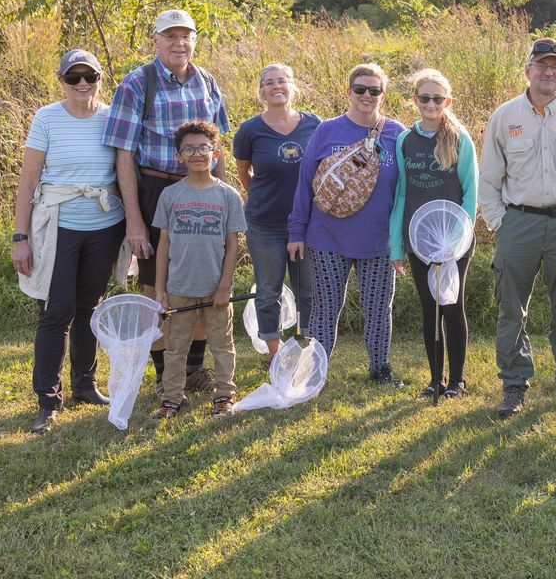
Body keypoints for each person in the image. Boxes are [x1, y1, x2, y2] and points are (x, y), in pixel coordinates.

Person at [478, 37, 556, 419]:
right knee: (511, 309)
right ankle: (514, 387)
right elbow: (489, 178)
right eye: (542, 65)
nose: (548, 72)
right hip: (518, 223)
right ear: (528, 70)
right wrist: (502, 225)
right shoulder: (504, 116)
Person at [103, 9, 230, 394]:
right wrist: (134, 221)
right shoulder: (136, 84)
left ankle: (191, 371)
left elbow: (218, 147)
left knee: (205, 282)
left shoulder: (207, 80)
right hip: (157, 191)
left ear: (195, 39)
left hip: (204, 189)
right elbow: (124, 155)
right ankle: (164, 377)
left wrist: (224, 198)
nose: (179, 43)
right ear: (156, 40)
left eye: (185, 36)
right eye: (170, 36)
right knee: (155, 291)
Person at [13, 50, 126, 433]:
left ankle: (85, 385)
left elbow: (124, 171)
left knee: (89, 305)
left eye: (89, 76)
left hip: (105, 225)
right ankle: (48, 398)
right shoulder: (46, 117)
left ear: (99, 79)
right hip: (58, 225)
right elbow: (28, 181)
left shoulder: (113, 117)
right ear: (61, 79)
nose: (82, 84)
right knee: (57, 309)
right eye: (73, 76)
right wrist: (20, 237)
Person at [288, 64, 406, 387]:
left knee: (378, 308)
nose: (367, 96)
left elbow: (407, 188)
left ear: (383, 94)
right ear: (348, 91)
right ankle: (316, 370)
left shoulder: (396, 134)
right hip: (327, 239)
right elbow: (304, 184)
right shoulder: (326, 131)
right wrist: (296, 231)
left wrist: (403, 239)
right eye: (360, 89)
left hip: (378, 241)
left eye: (374, 90)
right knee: (326, 308)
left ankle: (380, 369)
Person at [389, 69, 478, 400]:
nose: (430, 104)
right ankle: (434, 379)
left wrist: (457, 239)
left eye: (437, 99)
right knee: (430, 308)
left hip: (453, 241)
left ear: (447, 101)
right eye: (424, 98)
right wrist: (396, 244)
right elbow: (401, 194)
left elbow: (470, 193)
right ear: (415, 100)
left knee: (452, 306)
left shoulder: (459, 138)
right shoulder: (404, 140)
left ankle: (457, 380)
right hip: (419, 239)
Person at [151, 121, 246, 419]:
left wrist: (224, 286)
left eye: (203, 148)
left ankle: (224, 395)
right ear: (179, 156)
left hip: (214, 288)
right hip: (178, 288)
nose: (196, 154)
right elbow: (164, 245)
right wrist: (160, 290)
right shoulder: (170, 195)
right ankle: (172, 398)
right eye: (188, 149)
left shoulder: (227, 195)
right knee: (175, 347)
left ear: (215, 153)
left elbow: (233, 245)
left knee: (222, 345)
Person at [233, 64, 320, 361]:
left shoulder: (314, 125)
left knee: (307, 289)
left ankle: (305, 345)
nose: (276, 86)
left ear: (292, 86)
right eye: (269, 83)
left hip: (307, 223)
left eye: (282, 81)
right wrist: (265, 196)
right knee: (269, 290)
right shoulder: (249, 130)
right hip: (265, 224)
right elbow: (245, 174)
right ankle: (275, 352)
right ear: (261, 91)